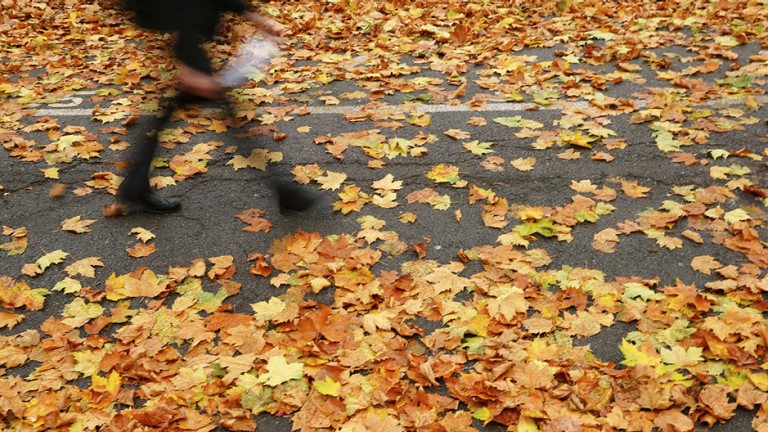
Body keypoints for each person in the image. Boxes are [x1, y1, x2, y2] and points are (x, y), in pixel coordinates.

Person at [112, 0, 315, 215]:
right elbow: (179, 9)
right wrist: (188, 61)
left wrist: (255, 17)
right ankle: (286, 193)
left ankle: (133, 189)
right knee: (231, 117)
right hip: (188, 39)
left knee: (173, 117)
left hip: (190, 38)